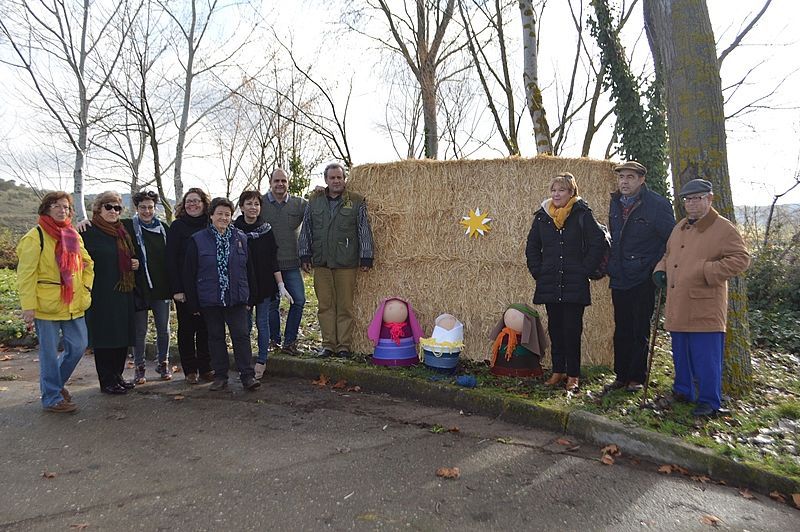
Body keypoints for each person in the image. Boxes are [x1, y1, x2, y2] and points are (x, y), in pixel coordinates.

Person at [653, 179, 750, 417]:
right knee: (681, 352)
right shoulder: (680, 227)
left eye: (697, 198)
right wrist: (661, 269)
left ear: (710, 199)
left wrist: (705, 270)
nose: (691, 203)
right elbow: (668, 254)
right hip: (678, 302)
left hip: (705, 305)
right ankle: (683, 391)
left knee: (706, 357)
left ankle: (709, 401)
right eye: (687, 199)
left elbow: (741, 259)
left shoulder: (723, 227)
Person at [525, 173, 606, 391]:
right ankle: (558, 371)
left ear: (571, 192)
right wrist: (538, 271)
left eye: (561, 190)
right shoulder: (542, 217)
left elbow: (597, 242)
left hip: (574, 283)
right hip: (550, 282)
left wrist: (585, 269)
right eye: (553, 190)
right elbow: (532, 246)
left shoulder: (582, 214)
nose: (556, 194)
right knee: (556, 329)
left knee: (572, 330)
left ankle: (573, 375)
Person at [16, 192, 94, 413]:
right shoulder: (35, 237)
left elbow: (88, 264)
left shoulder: (73, 235)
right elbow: (26, 275)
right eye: (56, 206)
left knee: (78, 346)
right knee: (49, 355)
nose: (62, 210)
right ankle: (51, 398)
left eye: (66, 207)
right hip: (46, 306)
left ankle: (55, 385)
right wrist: (28, 306)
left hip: (74, 303)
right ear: (46, 208)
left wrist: (86, 288)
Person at [603, 161, 675, 394]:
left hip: (643, 277)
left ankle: (636, 377)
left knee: (639, 329)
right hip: (619, 275)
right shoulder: (615, 202)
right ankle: (621, 376)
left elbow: (671, 239)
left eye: (630, 177)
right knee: (621, 328)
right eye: (621, 177)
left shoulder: (657, 204)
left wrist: (654, 265)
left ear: (641, 180)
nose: (624, 182)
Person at [184, 197, 260, 392]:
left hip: (237, 297)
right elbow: (190, 273)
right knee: (216, 337)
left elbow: (249, 269)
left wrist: (251, 296)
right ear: (211, 215)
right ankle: (220, 376)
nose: (223, 218)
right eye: (219, 214)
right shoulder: (198, 240)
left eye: (227, 214)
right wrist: (193, 302)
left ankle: (247, 376)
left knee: (241, 336)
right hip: (210, 298)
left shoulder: (240, 238)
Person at [298, 163, 374, 358]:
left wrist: (366, 256)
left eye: (339, 177)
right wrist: (305, 254)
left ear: (344, 179)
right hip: (321, 261)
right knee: (325, 306)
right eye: (332, 178)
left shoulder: (356, 201)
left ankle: (343, 347)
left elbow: (363, 229)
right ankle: (328, 345)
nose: (336, 181)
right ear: (326, 180)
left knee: (345, 306)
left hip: (346, 262)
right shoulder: (314, 201)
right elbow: (306, 228)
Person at [81, 192, 140, 395]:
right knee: (105, 338)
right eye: (108, 207)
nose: (113, 211)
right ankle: (106, 380)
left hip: (123, 293)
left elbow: (132, 254)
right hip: (101, 294)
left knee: (121, 336)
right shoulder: (88, 231)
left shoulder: (122, 230)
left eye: (117, 208)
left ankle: (117, 376)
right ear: (98, 208)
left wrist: (135, 263)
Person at [233, 190, 293, 380]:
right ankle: (244, 362)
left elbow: (273, 259)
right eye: (249, 204)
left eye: (256, 204)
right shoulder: (234, 230)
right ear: (241, 207)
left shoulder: (266, 230)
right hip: (242, 285)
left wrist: (281, 285)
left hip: (264, 283)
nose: (253, 207)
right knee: (244, 326)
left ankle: (262, 360)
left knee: (262, 323)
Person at [123, 191, 172, 384]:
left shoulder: (163, 228)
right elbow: (106, 226)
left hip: (162, 286)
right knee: (140, 330)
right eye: (142, 207)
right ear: (136, 208)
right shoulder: (128, 226)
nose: (147, 211)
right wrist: (85, 222)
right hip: (139, 287)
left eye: (150, 207)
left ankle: (163, 363)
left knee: (163, 329)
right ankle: (139, 367)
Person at [166, 188, 214, 385]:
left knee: (206, 328)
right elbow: (170, 259)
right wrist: (176, 289)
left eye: (196, 201)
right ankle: (190, 370)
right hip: (184, 287)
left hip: (207, 286)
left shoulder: (210, 224)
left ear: (204, 204)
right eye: (189, 201)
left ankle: (206, 367)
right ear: (183, 205)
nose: (192, 204)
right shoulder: (177, 226)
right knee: (187, 329)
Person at [261, 168, 308, 356]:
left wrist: (321, 193)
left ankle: (290, 341)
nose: (280, 184)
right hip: (269, 266)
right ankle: (274, 341)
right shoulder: (261, 203)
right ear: (270, 183)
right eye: (276, 181)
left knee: (299, 300)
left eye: (284, 181)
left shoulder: (299, 204)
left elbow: (318, 212)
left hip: (291, 264)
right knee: (272, 305)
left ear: (288, 183)